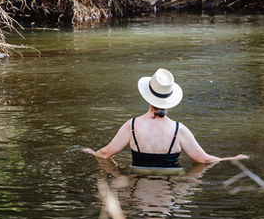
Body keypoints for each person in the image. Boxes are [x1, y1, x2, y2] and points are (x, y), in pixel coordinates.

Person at [84, 68, 249, 171]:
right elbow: (204, 160)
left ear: (148, 97)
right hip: (171, 184)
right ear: (170, 100)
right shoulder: (179, 130)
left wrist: (92, 154)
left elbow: (105, 154)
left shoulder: (132, 126)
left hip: (139, 183)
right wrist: (233, 158)